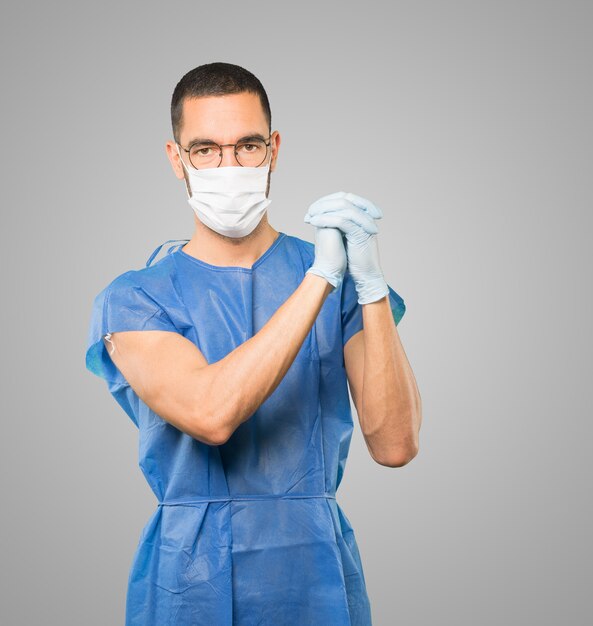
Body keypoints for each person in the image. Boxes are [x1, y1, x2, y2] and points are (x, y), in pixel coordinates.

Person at [85, 61, 422, 626]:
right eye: (206, 150)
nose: (229, 165)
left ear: (274, 148)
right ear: (177, 160)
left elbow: (394, 446)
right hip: (191, 581)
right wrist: (319, 281)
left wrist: (370, 288)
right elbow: (211, 414)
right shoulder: (135, 298)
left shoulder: (344, 285)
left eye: (247, 146)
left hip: (316, 576)